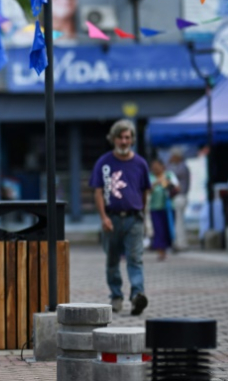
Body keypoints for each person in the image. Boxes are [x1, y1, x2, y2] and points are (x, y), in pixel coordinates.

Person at [89, 119, 151, 315]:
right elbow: (98, 191)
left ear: (132, 139)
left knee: (135, 259)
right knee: (112, 260)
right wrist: (103, 217)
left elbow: (144, 191)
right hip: (111, 219)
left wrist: (143, 214)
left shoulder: (140, 163)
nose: (124, 141)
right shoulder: (104, 162)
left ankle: (137, 296)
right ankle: (116, 296)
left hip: (134, 218)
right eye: (120, 137)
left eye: (127, 137)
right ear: (113, 139)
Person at [148, 159, 179, 261]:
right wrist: (157, 182)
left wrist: (166, 183)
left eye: (157, 166)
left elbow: (177, 188)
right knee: (158, 229)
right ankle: (161, 251)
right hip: (155, 208)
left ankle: (167, 247)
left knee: (168, 229)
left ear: (162, 167)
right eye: (153, 167)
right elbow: (147, 190)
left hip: (169, 208)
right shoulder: (150, 177)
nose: (155, 169)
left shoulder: (169, 175)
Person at [167, 149, 191, 251]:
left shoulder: (182, 167)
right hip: (179, 197)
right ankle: (180, 242)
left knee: (179, 221)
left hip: (180, 196)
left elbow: (170, 175)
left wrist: (168, 163)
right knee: (178, 221)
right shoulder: (182, 166)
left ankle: (181, 243)